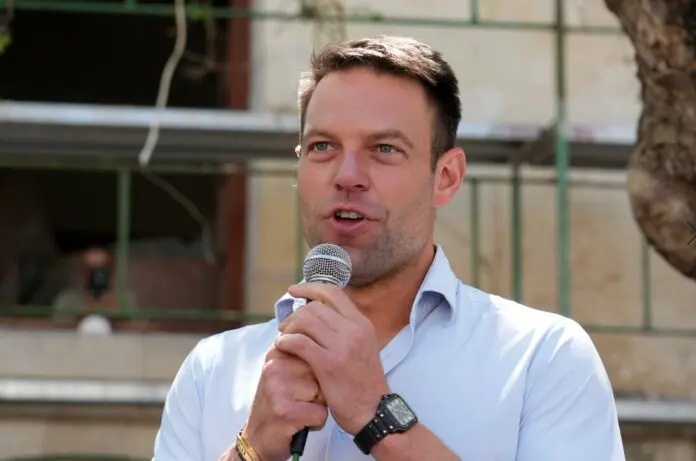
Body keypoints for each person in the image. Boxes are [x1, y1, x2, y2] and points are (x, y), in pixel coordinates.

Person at [152, 35, 626, 461]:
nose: (347, 176)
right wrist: (250, 450)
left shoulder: (543, 358)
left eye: (384, 149)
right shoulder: (212, 370)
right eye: (322, 147)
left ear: (446, 177)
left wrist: (378, 415)